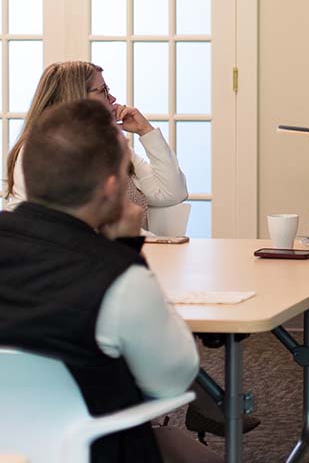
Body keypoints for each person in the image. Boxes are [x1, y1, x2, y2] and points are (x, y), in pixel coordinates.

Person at [0, 99, 201, 463]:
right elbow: (172, 377)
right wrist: (127, 251)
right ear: (111, 189)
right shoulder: (117, 277)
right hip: (90, 447)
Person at [4, 61, 188, 231]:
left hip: (112, 256)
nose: (113, 98)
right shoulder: (43, 152)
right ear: (77, 98)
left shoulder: (106, 145)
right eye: (103, 91)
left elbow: (171, 192)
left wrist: (146, 132)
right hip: (82, 260)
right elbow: (74, 227)